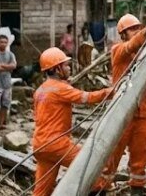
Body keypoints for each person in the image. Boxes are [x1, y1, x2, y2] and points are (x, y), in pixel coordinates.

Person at [32, 47, 113, 196]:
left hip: (40, 144)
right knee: (92, 171)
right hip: (56, 143)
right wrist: (110, 92)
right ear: (57, 70)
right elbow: (87, 98)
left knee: (41, 191)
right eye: (65, 65)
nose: (69, 68)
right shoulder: (60, 89)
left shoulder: (40, 91)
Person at [95, 14, 146, 196]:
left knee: (140, 159)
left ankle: (137, 191)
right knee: (110, 159)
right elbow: (132, 45)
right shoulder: (118, 50)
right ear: (123, 34)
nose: (136, 31)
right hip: (120, 114)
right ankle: (99, 190)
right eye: (132, 29)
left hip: (141, 114)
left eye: (138, 28)